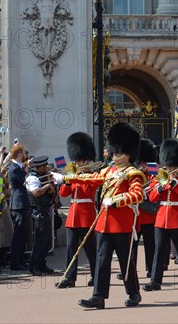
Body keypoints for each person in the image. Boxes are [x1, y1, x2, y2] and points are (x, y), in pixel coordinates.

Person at [58, 122, 145, 309]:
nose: (113, 154)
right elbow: (89, 177)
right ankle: (98, 295)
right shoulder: (107, 171)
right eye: (113, 151)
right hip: (104, 224)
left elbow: (138, 195)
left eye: (117, 151)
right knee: (102, 260)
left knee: (125, 261)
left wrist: (117, 200)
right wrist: (66, 178)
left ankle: (134, 293)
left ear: (127, 153)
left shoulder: (133, 173)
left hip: (121, 224)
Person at [143, 139, 178, 291]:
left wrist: (174, 182)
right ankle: (155, 281)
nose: (170, 168)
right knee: (159, 250)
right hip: (161, 218)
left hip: (177, 218)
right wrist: (159, 188)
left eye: (172, 165)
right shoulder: (159, 176)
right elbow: (151, 197)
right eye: (168, 165)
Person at [57, 132, 98, 288]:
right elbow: (63, 193)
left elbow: (88, 192)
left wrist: (78, 177)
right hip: (73, 215)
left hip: (86, 214)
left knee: (90, 249)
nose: (78, 163)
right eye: (77, 160)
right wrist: (67, 181)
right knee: (71, 248)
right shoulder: (73, 174)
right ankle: (69, 277)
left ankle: (96, 275)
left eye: (80, 160)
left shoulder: (92, 175)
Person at [26, 155, 57, 276]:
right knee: (40, 240)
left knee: (46, 240)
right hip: (38, 211)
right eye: (45, 166)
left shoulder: (41, 176)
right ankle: (34, 266)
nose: (47, 168)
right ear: (41, 166)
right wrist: (47, 186)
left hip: (44, 210)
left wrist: (51, 185)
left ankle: (42, 264)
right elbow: (36, 193)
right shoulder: (32, 177)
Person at [132, 138, 158, 279]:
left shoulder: (153, 170)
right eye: (141, 162)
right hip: (136, 215)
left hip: (148, 215)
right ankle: (131, 268)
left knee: (150, 246)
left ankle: (151, 269)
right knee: (132, 246)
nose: (143, 165)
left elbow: (154, 186)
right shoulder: (135, 172)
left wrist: (145, 175)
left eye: (144, 162)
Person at [8, 144, 31, 271]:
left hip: (22, 204)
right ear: (20, 155)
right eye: (24, 154)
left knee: (23, 235)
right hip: (18, 204)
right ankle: (15, 262)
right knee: (19, 235)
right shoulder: (15, 169)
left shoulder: (18, 167)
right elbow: (26, 180)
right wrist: (27, 169)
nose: (25, 156)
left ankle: (21, 260)